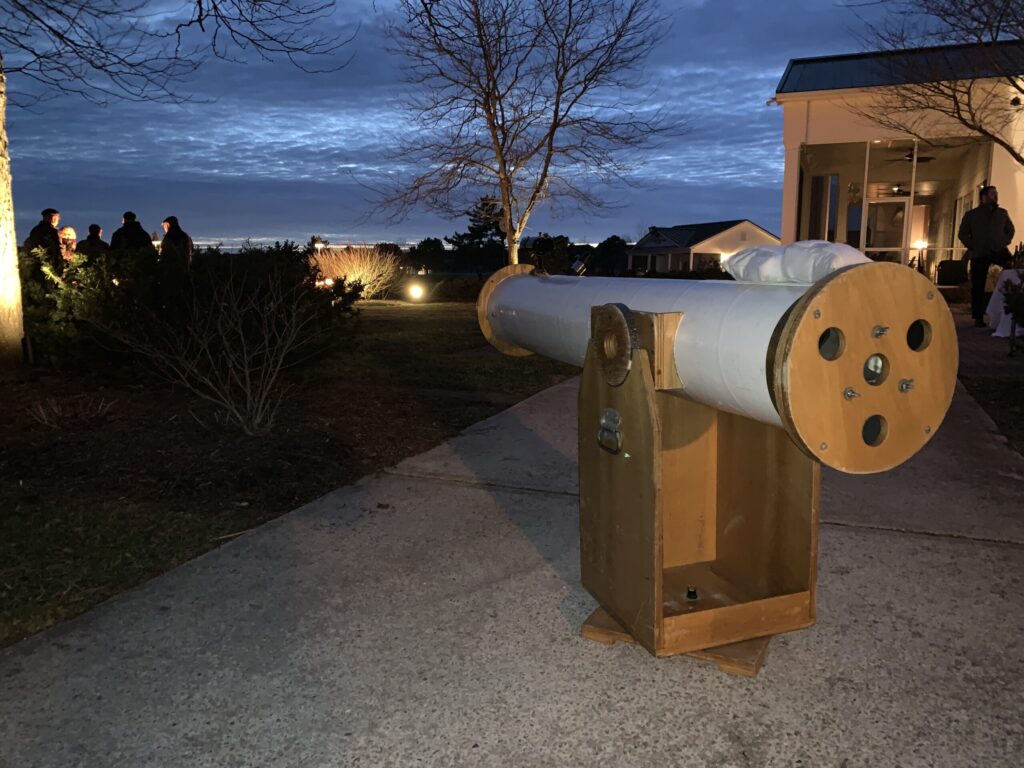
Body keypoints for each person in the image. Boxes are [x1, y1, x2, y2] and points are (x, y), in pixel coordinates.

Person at [958, 185, 1015, 327]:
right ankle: (978, 317)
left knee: (1013, 270)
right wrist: (972, 245)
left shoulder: (1002, 213)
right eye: (992, 193)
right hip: (979, 252)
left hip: (998, 250)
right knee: (978, 284)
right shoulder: (972, 215)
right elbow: (962, 233)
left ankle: (1012, 310)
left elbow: (1010, 229)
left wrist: (1003, 241)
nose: (995, 196)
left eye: (996, 193)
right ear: (984, 197)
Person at [23, 208, 63, 273]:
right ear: (53, 218)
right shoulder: (52, 231)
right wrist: (58, 262)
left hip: (35, 263)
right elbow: (56, 247)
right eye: (57, 218)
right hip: (49, 264)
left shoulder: (35, 230)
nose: (58, 220)